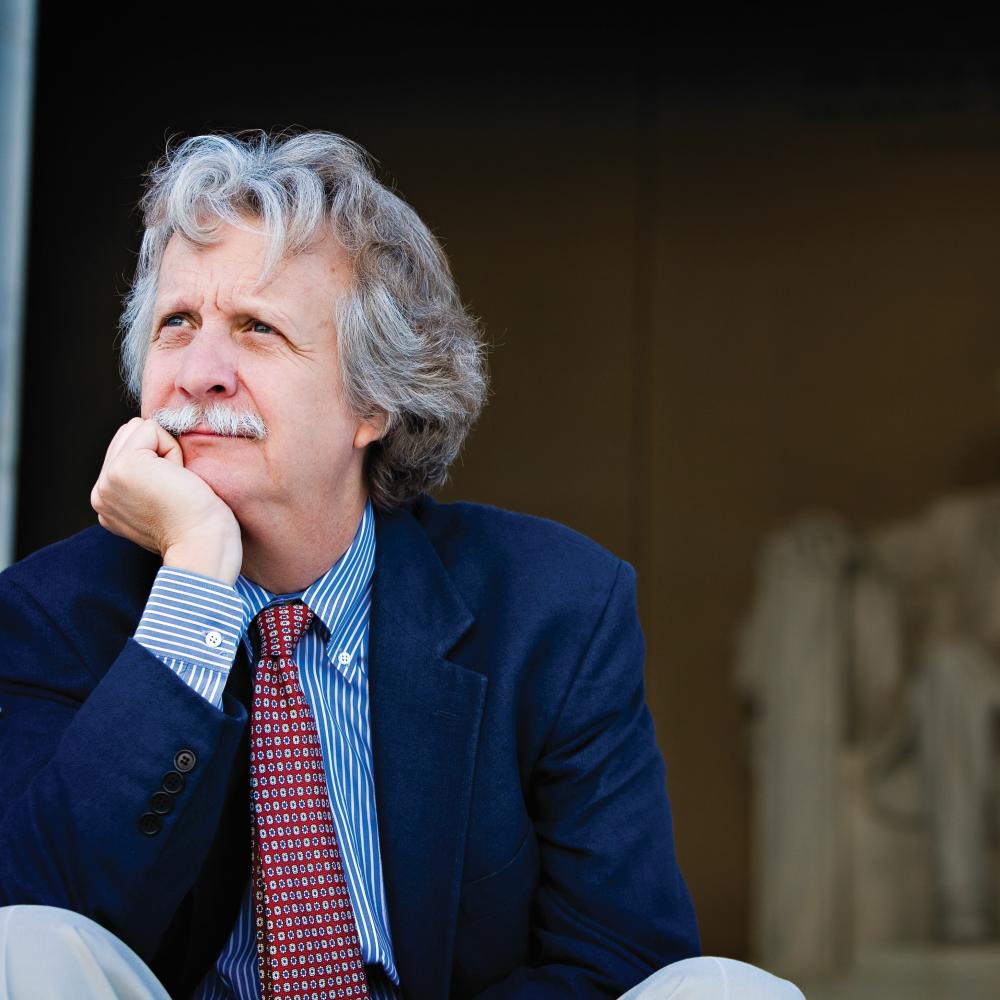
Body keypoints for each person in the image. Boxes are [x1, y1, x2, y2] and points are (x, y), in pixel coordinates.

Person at [0, 131, 800, 1000]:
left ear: (374, 401)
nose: (201, 374)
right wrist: (195, 579)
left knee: (723, 991)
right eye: (176, 325)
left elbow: (620, 960)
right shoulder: (48, 613)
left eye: (257, 330)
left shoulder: (554, 610)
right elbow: (39, 917)